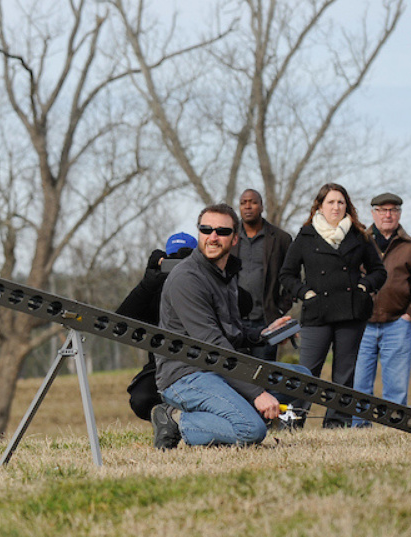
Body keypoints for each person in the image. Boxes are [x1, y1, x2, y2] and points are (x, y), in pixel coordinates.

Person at [151, 204, 291, 449]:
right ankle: (175, 420)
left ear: (235, 238)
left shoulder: (225, 275)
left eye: (222, 231)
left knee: (299, 380)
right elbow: (212, 345)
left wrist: (261, 334)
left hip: (217, 368)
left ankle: (232, 413)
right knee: (250, 431)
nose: (213, 237)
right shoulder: (187, 279)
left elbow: (230, 333)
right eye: (206, 229)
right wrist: (257, 393)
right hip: (186, 375)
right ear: (199, 234)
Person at [278, 183, 386, 428]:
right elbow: (287, 275)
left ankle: (337, 425)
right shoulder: (305, 236)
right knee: (306, 373)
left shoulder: (360, 235)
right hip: (317, 313)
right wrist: (306, 293)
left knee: (344, 375)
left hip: (351, 313)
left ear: (347, 205)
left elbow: (379, 271)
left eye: (340, 202)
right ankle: (293, 423)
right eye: (331, 202)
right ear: (320, 206)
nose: (336, 207)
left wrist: (363, 287)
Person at [352, 193, 411, 425]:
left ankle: (393, 430)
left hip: (397, 324)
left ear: (399, 214)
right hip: (362, 326)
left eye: (393, 210)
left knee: (396, 388)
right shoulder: (358, 243)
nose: (388, 215)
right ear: (373, 213)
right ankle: (358, 434)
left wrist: (409, 316)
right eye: (382, 210)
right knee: (359, 386)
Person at [115, 232, 196, 421]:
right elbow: (121, 321)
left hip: (202, 364)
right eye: (171, 260)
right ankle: (167, 418)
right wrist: (148, 283)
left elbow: (244, 303)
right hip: (161, 365)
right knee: (141, 398)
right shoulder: (155, 289)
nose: (176, 266)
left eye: (182, 260)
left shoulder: (206, 282)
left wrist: (197, 274)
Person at [236, 189, 294, 361]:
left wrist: (281, 309)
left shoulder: (281, 239)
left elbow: (292, 276)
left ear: (261, 206)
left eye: (252, 202)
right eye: (243, 202)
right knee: (234, 375)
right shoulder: (229, 236)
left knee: (263, 374)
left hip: (266, 320)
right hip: (234, 320)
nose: (248, 206)